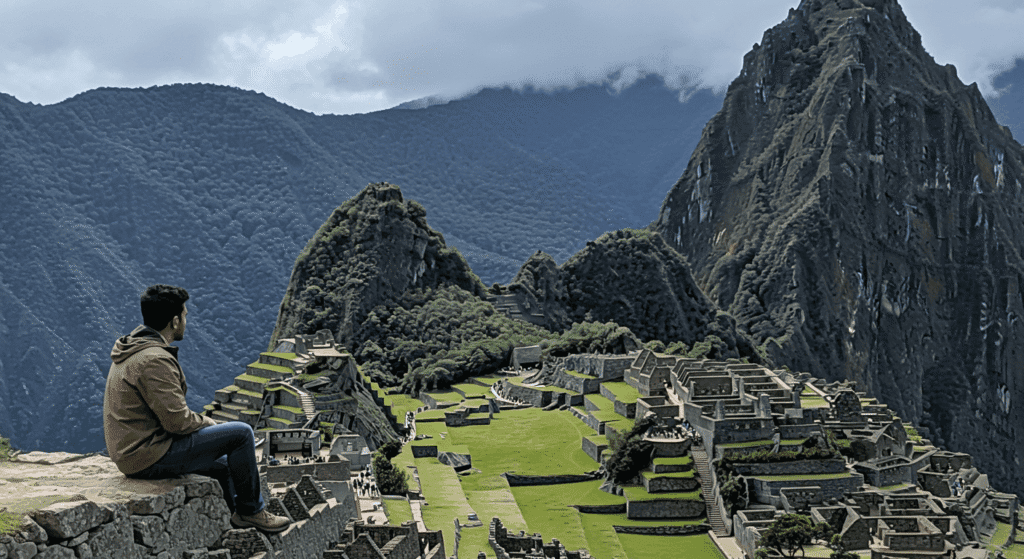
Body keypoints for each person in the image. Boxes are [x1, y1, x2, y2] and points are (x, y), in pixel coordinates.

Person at [103, 284, 290, 534]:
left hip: (133, 451)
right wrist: (208, 423)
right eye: (185, 315)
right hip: (148, 454)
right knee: (241, 433)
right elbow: (177, 423)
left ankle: (229, 527)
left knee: (224, 466)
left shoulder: (134, 349)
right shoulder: (154, 360)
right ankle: (252, 512)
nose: (186, 320)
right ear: (175, 321)